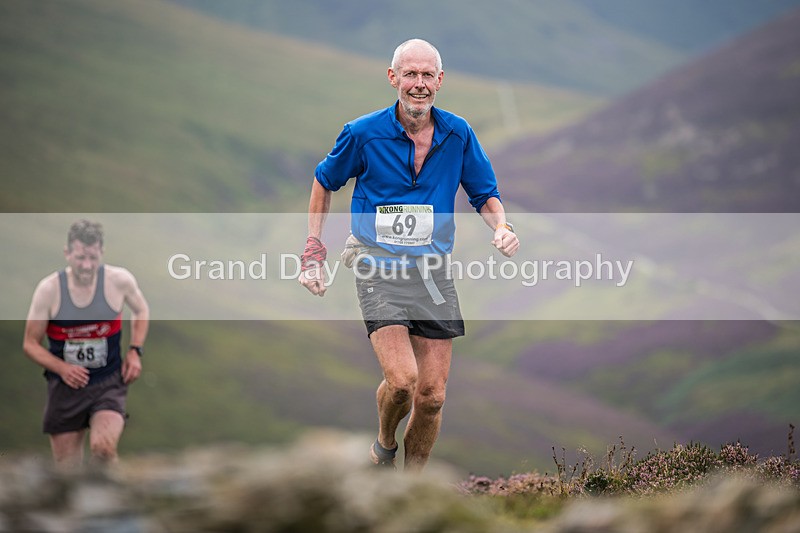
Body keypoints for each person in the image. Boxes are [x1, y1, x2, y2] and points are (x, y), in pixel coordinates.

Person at [298, 39, 519, 471]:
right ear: (393, 78)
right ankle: (384, 446)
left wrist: (502, 227)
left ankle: (413, 489)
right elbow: (324, 181)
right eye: (410, 74)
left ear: (440, 80)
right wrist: (313, 250)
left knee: (432, 397)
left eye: (427, 75)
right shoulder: (362, 133)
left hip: (432, 273)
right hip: (376, 268)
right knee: (402, 383)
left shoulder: (458, 134)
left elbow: (485, 193)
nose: (419, 84)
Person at [23, 219, 150, 471]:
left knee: (103, 451)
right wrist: (62, 368)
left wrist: (135, 350)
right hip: (66, 388)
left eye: (93, 258)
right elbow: (30, 344)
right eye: (80, 258)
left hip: (108, 382)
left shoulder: (119, 281)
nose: (87, 265)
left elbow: (141, 309)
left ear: (102, 252)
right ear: (67, 253)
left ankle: (114, 495)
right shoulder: (49, 290)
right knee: (67, 470)